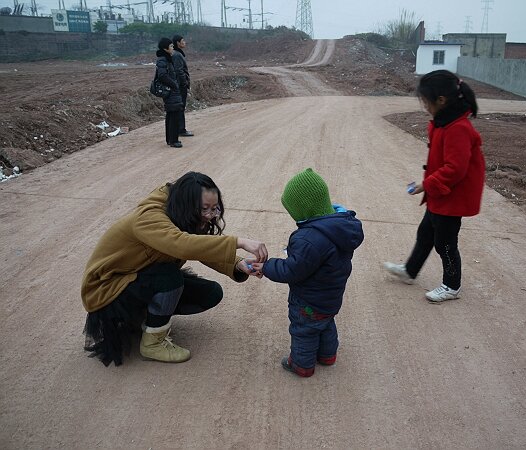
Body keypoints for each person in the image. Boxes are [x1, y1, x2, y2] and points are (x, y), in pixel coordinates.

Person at [81, 172, 268, 366]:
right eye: (205, 209)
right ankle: (153, 343)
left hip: (138, 279)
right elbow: (183, 245)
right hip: (107, 290)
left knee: (211, 293)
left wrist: (238, 264)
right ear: (187, 204)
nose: (210, 216)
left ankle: (145, 317)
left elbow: (200, 248)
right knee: (169, 277)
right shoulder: (149, 218)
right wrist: (238, 242)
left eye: (215, 209)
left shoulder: (183, 213)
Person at [384, 69, 485, 303]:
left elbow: (456, 169)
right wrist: (428, 184)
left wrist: (427, 184)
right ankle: (410, 271)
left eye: (426, 102)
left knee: (445, 243)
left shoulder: (458, 128)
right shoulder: (444, 122)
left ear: (442, 100)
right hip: (441, 195)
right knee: (425, 234)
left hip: (452, 197)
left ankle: (452, 286)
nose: (424, 106)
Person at [252, 168, 364, 377]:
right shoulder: (340, 226)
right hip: (331, 296)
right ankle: (327, 355)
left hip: (308, 301)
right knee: (326, 323)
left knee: (304, 330)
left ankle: (302, 364)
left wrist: (267, 267)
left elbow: (292, 270)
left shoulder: (309, 239)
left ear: (303, 209)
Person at [155, 37, 184, 148]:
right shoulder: (163, 60)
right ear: (165, 48)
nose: (173, 48)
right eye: (171, 46)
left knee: (172, 114)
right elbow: (162, 75)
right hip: (170, 92)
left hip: (172, 91)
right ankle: (173, 140)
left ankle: (171, 139)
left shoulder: (167, 58)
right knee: (174, 115)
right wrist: (174, 84)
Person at [172, 34, 194, 138]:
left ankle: (180, 129)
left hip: (180, 85)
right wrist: (184, 83)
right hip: (180, 86)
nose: (185, 42)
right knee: (180, 107)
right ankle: (181, 129)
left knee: (181, 107)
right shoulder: (177, 55)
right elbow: (179, 71)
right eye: (183, 41)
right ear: (178, 43)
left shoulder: (178, 54)